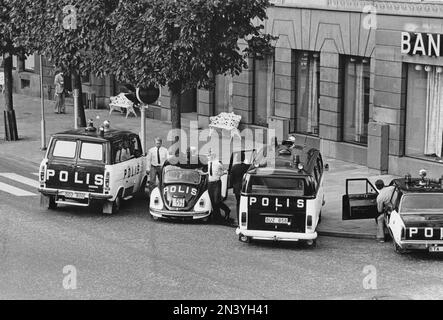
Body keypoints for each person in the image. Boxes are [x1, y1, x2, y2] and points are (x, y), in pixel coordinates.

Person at [207, 152, 231, 224]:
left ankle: (227, 210)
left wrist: (222, 173)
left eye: (209, 156)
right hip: (210, 182)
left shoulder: (218, 163)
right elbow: (209, 172)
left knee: (217, 200)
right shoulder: (209, 163)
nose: (208, 157)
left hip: (216, 182)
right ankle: (217, 217)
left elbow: (224, 171)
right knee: (212, 201)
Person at [230, 152, 251, 217]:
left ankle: (239, 218)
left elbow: (231, 180)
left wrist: (232, 185)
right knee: (246, 204)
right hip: (245, 187)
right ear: (244, 158)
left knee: (238, 203)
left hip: (237, 188)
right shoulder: (247, 167)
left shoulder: (234, 167)